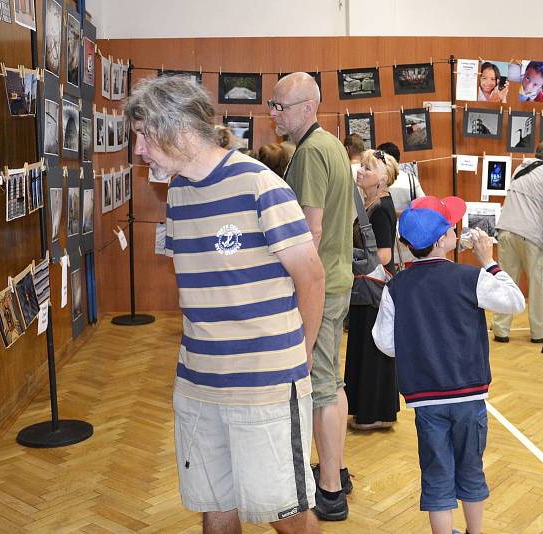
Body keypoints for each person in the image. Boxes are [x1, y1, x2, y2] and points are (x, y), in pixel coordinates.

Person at [125, 76, 325, 533]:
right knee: (214, 507)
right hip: (198, 383)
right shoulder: (177, 193)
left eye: (143, 134)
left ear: (177, 128)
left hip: (265, 383)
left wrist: (302, 354)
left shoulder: (260, 185)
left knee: (286, 515)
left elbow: (311, 279)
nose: (139, 150)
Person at [372, 196, 525, 534]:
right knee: (471, 469)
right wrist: (489, 262)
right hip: (469, 397)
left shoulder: (396, 288)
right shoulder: (471, 278)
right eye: (452, 227)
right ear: (442, 240)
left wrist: (419, 348)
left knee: (437, 474)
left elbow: (384, 342)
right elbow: (516, 302)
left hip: (425, 399)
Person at [270, 72, 355, 520]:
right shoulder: (331, 146)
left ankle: (330, 492)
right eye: (272, 104)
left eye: (280, 106)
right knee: (331, 381)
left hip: (322, 284)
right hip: (338, 279)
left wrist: (300, 288)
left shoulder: (309, 154)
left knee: (321, 385)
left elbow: (311, 229)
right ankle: (336, 469)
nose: (272, 114)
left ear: (307, 108)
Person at [491, 139, 543, 343]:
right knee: (541, 285)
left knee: (507, 282)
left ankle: (500, 329)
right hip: (533, 236)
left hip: (506, 230)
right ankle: (540, 333)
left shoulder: (520, 169)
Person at [344, 149, 399, 431]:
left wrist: (353, 256)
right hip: (366, 287)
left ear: (382, 179)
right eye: (361, 167)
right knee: (364, 349)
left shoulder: (381, 208)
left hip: (373, 288)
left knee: (372, 349)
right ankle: (366, 409)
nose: (361, 171)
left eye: (367, 168)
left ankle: (375, 413)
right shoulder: (372, 204)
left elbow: (385, 255)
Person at [380, 141, 425, 268]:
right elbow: (423, 205)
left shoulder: (377, 181)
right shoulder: (411, 179)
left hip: (384, 238)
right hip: (408, 235)